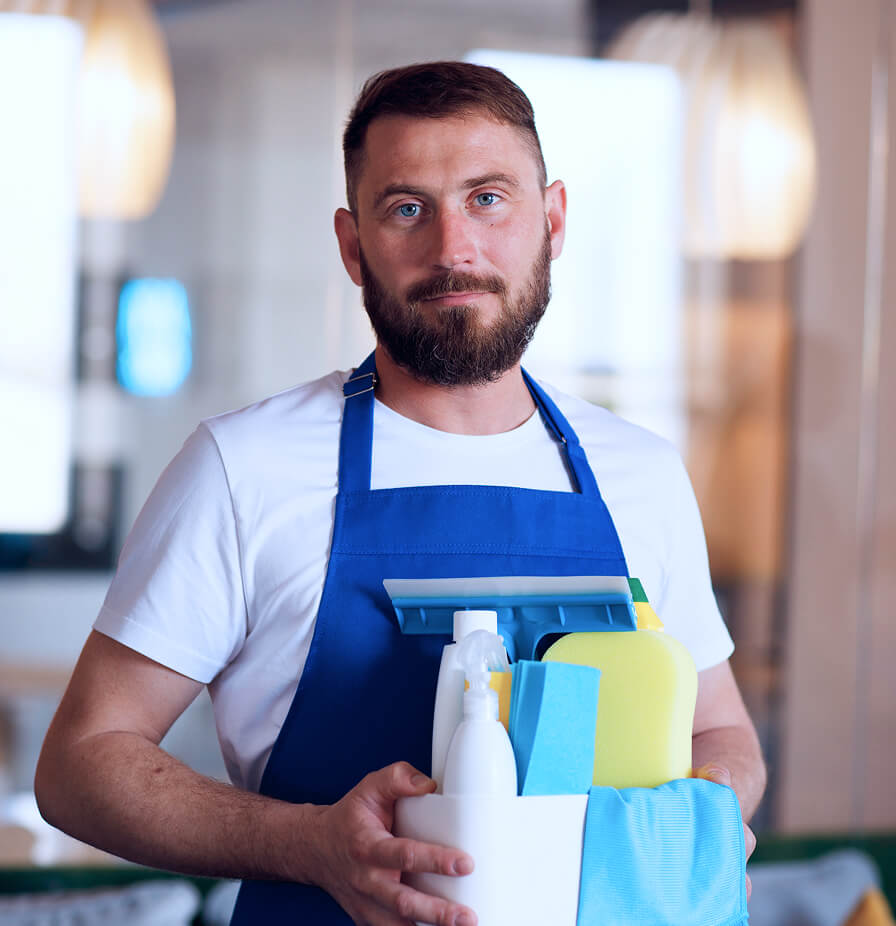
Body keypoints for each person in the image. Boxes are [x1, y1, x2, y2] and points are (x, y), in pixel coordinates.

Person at [35, 61, 765, 926]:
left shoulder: (639, 473)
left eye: (489, 198)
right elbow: (81, 765)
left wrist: (695, 818)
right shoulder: (244, 468)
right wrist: (305, 843)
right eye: (408, 208)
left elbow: (722, 739)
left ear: (554, 219)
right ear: (352, 244)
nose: (455, 249)